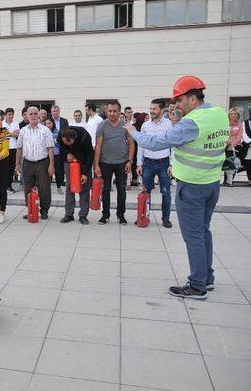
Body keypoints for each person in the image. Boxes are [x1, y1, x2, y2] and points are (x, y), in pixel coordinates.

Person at [125, 75, 229, 300]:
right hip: (211, 184)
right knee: (203, 231)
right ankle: (207, 278)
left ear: (192, 98)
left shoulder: (191, 123)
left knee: (193, 236)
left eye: (180, 100)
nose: (177, 105)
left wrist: (132, 131)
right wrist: (177, 122)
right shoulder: (219, 114)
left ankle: (197, 286)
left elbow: (153, 143)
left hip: (192, 187)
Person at [94, 101, 135, 225]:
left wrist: (129, 160)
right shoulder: (101, 125)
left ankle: (121, 215)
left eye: (114, 111)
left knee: (121, 191)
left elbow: (132, 144)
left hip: (122, 163)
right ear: (106, 111)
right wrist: (96, 165)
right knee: (105, 190)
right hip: (105, 163)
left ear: (119, 111)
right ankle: (105, 215)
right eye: (109, 111)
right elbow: (98, 146)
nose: (111, 113)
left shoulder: (126, 126)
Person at [137, 99, 173, 228]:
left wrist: (171, 164)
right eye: (150, 109)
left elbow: (173, 145)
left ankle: (166, 219)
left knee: (166, 192)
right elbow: (141, 144)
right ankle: (143, 216)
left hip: (164, 163)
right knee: (145, 192)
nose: (151, 111)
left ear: (162, 110)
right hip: (147, 162)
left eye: (154, 109)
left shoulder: (169, 124)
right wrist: (139, 164)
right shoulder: (145, 125)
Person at [16, 107, 55, 220]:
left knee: (44, 188)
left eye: (35, 114)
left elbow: (50, 149)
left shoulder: (45, 130)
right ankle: (31, 210)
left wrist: (51, 165)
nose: (33, 116)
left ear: (39, 115)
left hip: (42, 163)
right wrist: (17, 163)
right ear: (27, 116)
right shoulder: (23, 130)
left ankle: (44, 211)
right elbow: (19, 148)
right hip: (27, 163)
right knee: (28, 188)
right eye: (31, 114)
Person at [59, 127, 93, 224]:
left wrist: (85, 173)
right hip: (70, 163)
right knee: (69, 187)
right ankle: (69, 214)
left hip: (83, 161)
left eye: (69, 143)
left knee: (84, 188)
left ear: (76, 138)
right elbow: (61, 146)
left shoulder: (85, 137)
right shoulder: (61, 136)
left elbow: (90, 155)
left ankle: (83, 215)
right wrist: (67, 153)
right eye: (65, 142)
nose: (67, 145)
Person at [50, 106, 68, 194]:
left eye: (57, 111)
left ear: (59, 111)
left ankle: (60, 182)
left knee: (60, 167)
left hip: (62, 146)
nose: (55, 112)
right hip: (51, 150)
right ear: (51, 112)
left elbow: (67, 132)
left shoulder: (64, 121)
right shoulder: (49, 120)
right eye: (54, 111)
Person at [3, 108, 20, 193]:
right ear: (6, 115)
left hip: (13, 147)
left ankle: (9, 186)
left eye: (12, 114)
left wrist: (7, 133)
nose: (11, 116)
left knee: (11, 168)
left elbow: (17, 134)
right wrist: (11, 133)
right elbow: (1, 134)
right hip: (4, 148)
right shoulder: (2, 123)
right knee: (4, 168)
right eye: (9, 114)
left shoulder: (16, 123)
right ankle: (4, 186)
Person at [45, 118, 64, 195]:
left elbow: (60, 144)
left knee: (58, 171)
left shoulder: (57, 132)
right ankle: (47, 188)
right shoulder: (43, 132)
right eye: (46, 123)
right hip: (46, 154)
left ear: (52, 123)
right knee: (47, 172)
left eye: (49, 123)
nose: (48, 125)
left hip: (56, 154)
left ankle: (59, 187)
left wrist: (53, 141)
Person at [241, 110, 251, 185]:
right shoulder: (244, 123)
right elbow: (243, 134)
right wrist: (249, 142)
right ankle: (250, 180)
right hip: (248, 146)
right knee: (248, 163)